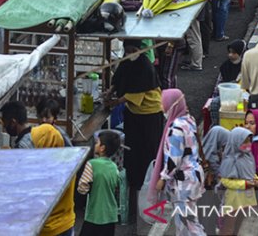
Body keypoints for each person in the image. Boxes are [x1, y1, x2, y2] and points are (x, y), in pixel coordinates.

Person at [105, 39, 163, 214]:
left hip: (149, 115)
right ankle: (133, 183)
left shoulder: (145, 67)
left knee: (146, 151)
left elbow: (135, 94)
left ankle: (145, 187)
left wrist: (115, 101)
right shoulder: (126, 62)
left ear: (139, 49)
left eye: (133, 50)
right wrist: (110, 91)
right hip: (133, 113)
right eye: (127, 50)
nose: (130, 53)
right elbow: (119, 78)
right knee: (132, 149)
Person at [148, 89, 206, 236]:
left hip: (184, 181)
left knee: (189, 223)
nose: (162, 108)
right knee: (186, 221)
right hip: (193, 177)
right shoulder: (188, 120)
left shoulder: (176, 129)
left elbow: (174, 160)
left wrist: (163, 178)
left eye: (164, 104)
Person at [77, 130, 121, 236]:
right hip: (110, 215)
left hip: (95, 215)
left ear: (102, 148)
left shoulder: (91, 164)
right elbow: (117, 186)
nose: (95, 145)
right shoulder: (114, 167)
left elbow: (82, 188)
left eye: (97, 142)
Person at [218, 127, 258, 235]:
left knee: (239, 227)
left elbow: (251, 172)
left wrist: (255, 179)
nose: (248, 144)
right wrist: (245, 184)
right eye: (244, 141)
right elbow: (225, 181)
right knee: (228, 228)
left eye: (249, 141)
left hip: (246, 199)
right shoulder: (229, 160)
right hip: (233, 200)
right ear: (236, 141)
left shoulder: (248, 157)